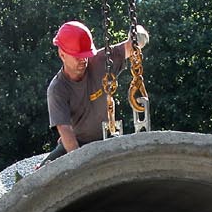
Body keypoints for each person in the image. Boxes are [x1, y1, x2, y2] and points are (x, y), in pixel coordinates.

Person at [41, 20, 149, 163]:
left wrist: (138, 33)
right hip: (78, 143)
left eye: (86, 54)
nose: (83, 60)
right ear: (62, 55)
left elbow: (133, 46)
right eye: (78, 56)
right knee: (43, 173)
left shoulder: (101, 61)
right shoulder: (57, 89)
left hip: (108, 137)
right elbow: (66, 132)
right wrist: (82, 164)